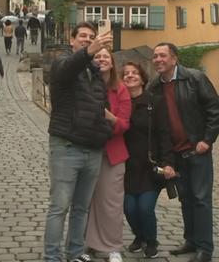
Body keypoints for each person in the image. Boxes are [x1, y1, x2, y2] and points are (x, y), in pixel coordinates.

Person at [44, 22, 113, 262]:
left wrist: (104, 131)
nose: (87, 39)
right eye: (82, 36)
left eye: (91, 36)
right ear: (71, 40)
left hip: (92, 148)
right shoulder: (62, 63)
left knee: (81, 208)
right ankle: (52, 256)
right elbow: (68, 69)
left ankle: (74, 253)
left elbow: (102, 106)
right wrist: (90, 51)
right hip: (67, 146)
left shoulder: (94, 72)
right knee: (59, 207)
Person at [149, 42, 219, 262]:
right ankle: (190, 240)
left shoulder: (194, 79)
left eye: (163, 55)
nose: (158, 60)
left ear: (174, 59)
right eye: (155, 56)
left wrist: (207, 140)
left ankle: (204, 249)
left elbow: (215, 110)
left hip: (197, 151)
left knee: (201, 199)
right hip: (175, 154)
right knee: (186, 200)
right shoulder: (154, 87)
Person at [121, 62, 175, 258]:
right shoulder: (120, 103)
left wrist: (168, 162)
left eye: (134, 73)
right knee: (129, 208)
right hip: (126, 166)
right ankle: (139, 236)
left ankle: (151, 241)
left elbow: (164, 133)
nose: (130, 76)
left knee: (144, 207)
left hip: (149, 165)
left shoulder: (155, 102)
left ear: (143, 79)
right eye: (126, 73)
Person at [85, 48, 131, 262]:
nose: (102, 59)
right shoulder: (85, 85)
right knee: (85, 201)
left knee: (111, 203)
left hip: (112, 153)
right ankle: (86, 244)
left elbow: (124, 125)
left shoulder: (120, 89)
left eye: (106, 57)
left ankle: (113, 247)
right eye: (97, 56)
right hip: (86, 150)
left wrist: (109, 118)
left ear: (112, 64)